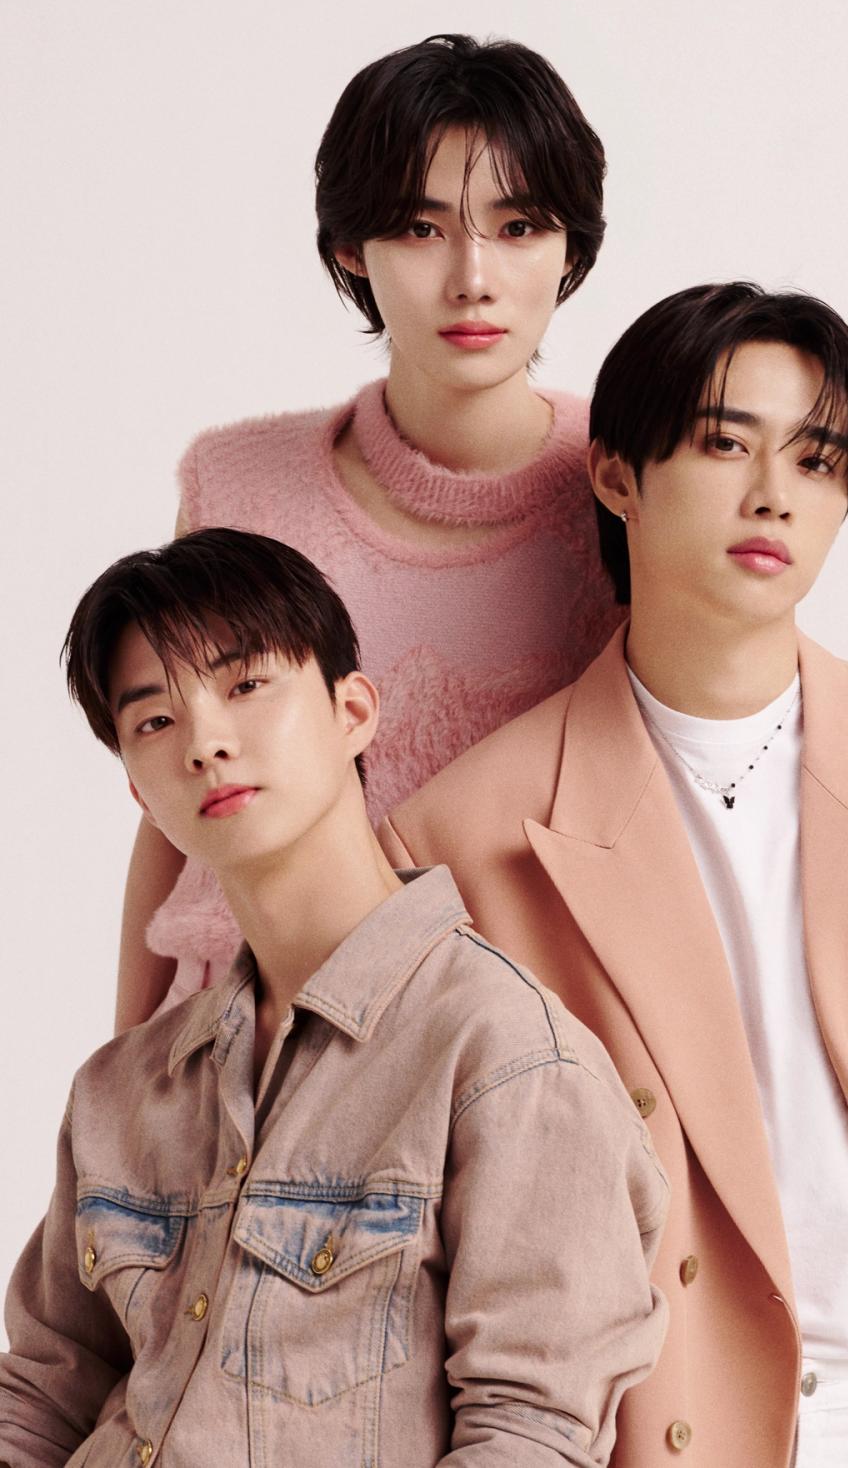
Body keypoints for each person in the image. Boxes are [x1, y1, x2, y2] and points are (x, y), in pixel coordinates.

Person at [380, 283, 848, 1466]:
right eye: (724, 444)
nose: (774, 494)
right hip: (679, 1424)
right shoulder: (457, 840)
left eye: (816, 461)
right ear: (617, 476)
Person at [0, 528, 666, 1467]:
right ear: (140, 796)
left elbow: (530, 1434)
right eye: (154, 721)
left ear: (352, 711)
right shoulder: (119, 1091)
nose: (206, 743)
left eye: (245, 685)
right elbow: (40, 1396)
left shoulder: (507, 1058)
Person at [117, 32, 620, 1031]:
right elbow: (173, 819)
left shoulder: (627, 489)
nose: (472, 278)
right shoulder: (240, 485)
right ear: (352, 248)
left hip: (504, 1056)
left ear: (571, 248)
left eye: (518, 226)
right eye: (422, 229)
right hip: (232, 1041)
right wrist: (117, 1076)